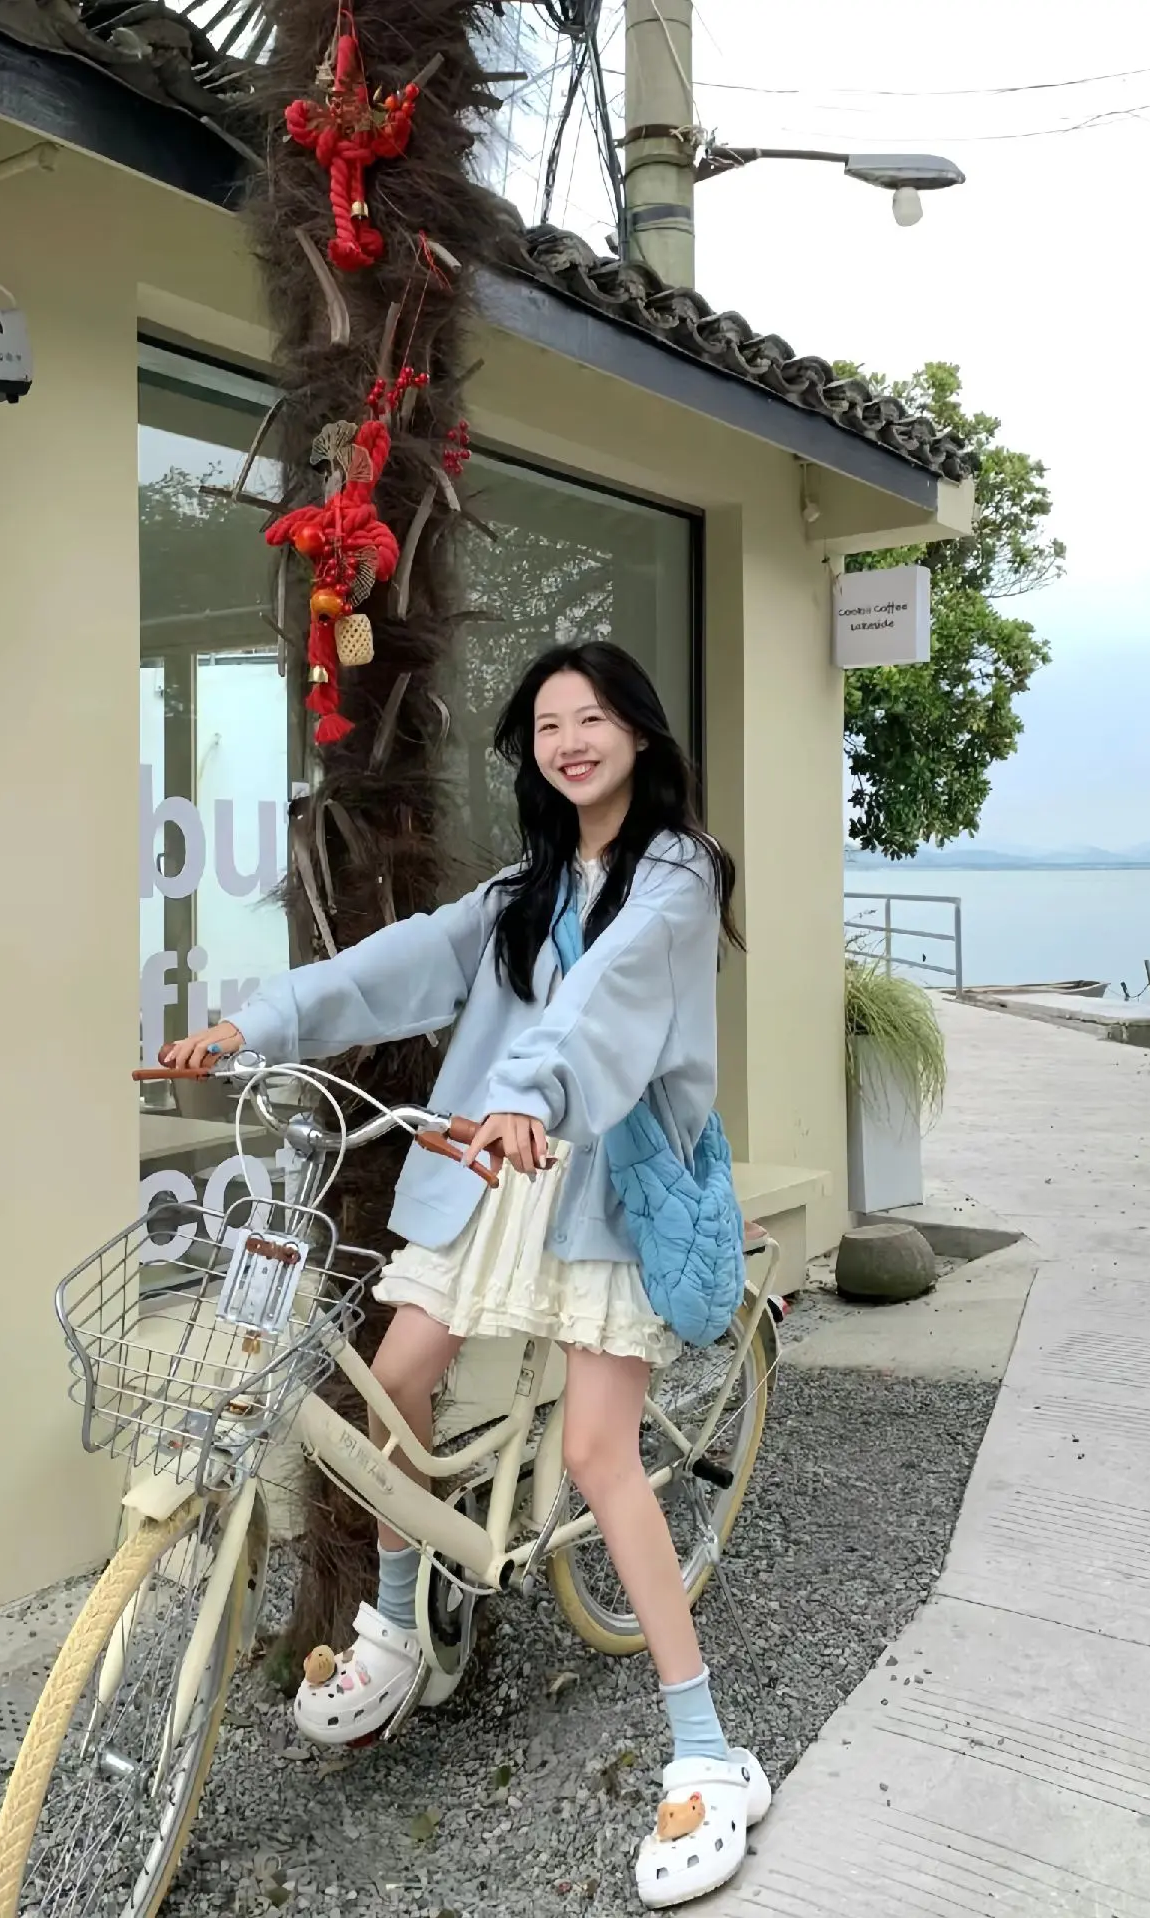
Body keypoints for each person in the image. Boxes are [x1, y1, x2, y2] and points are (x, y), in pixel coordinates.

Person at [164, 641, 770, 1908]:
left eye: (591, 717)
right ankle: (398, 1625)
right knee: (391, 1389)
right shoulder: (521, 889)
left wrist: (529, 1093)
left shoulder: (675, 872)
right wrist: (248, 1025)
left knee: (600, 1453)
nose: (569, 741)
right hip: (496, 1172)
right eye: (547, 725)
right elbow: (395, 965)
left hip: (602, 1184)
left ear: (639, 734)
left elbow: (606, 1002)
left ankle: (708, 1747)